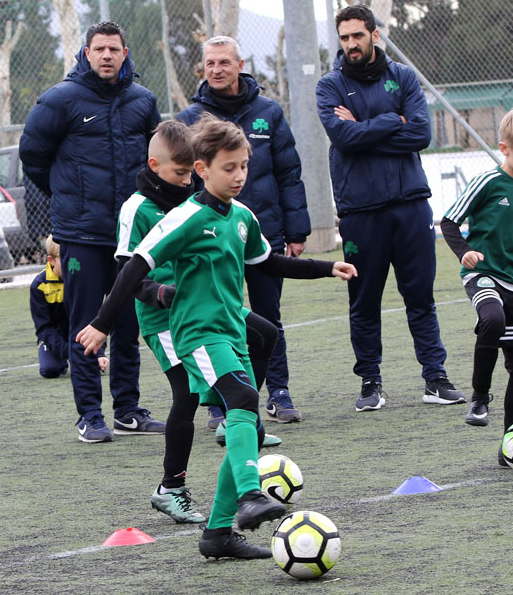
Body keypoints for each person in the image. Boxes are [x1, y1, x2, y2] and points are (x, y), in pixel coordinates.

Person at [76, 117, 357, 560]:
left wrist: (326, 267)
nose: (240, 176)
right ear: (202, 169)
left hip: (229, 330)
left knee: (243, 411)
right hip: (195, 333)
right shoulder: (186, 217)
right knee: (242, 401)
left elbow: (269, 263)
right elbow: (133, 267)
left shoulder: (242, 217)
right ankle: (248, 494)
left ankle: (218, 534)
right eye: (230, 167)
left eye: (244, 166)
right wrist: (102, 324)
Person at [116, 119, 280, 525]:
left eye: (191, 172)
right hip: (167, 319)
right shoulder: (138, 207)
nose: (187, 179)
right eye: (180, 172)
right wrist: (156, 293)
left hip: (207, 307)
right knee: (184, 398)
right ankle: (171, 487)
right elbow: (125, 266)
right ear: (155, 166)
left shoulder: (201, 201)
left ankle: (238, 414)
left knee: (265, 333)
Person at [19, 21, 165, 443]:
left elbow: (158, 157)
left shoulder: (143, 100)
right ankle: (89, 416)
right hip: (81, 233)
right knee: (85, 322)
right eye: (98, 49)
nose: (106, 55)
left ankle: (128, 410)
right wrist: (67, 196)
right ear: (86, 53)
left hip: (130, 235)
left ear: (125, 53)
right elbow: (33, 156)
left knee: (127, 324)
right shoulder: (60, 99)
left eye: (113, 49)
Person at [315, 4, 464, 412]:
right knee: (363, 301)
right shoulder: (329, 86)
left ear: (374, 35)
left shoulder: (403, 77)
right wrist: (390, 121)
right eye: (344, 38)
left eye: (357, 36)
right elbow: (343, 139)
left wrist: (364, 127)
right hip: (360, 212)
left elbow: (420, 133)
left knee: (421, 297)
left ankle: (435, 378)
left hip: (410, 205)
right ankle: (370, 382)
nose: (351, 45)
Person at [178, 36, 311, 427]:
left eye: (224, 62)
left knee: (269, 316)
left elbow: (289, 173)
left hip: (264, 233)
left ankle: (278, 392)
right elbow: (182, 182)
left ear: (240, 64)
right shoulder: (191, 119)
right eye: (210, 63)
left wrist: (297, 230)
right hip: (211, 240)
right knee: (219, 318)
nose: (216, 69)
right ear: (203, 69)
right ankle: (221, 402)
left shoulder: (268, 112)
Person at [439, 106, 513, 447]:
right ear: (505, 148)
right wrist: (465, 253)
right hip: (482, 274)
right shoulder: (488, 181)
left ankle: (512, 442)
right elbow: (448, 221)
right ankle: (479, 397)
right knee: (492, 318)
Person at [30, 235, 108, 378]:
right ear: (51, 260)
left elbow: (94, 319)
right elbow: (44, 328)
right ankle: (62, 358)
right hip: (55, 338)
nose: (70, 262)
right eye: (64, 258)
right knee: (50, 370)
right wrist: (70, 352)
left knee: (91, 368)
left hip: (81, 336)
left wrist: (99, 352)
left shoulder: (82, 278)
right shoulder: (39, 286)